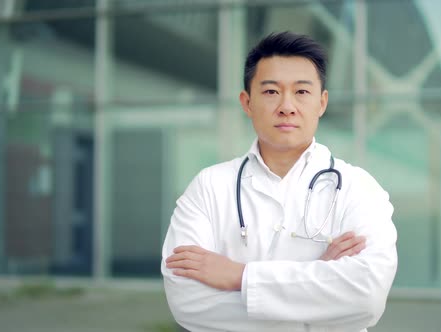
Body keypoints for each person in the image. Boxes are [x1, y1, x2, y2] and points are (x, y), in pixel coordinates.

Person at [161, 31, 397, 332]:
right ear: (247, 103)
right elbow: (188, 302)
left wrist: (240, 276)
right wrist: (319, 283)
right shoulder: (209, 186)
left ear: (322, 103)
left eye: (302, 92)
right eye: (271, 92)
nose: (287, 106)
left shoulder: (358, 188)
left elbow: (366, 297)